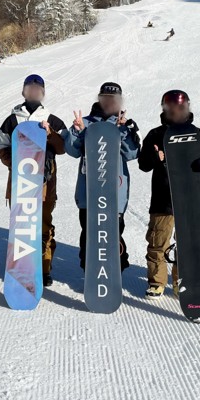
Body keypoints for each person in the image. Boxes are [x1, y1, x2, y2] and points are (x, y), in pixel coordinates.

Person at [138, 90, 200, 298]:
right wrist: (154, 157)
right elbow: (143, 164)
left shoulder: (199, 134)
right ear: (165, 109)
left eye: (181, 108)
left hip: (190, 199)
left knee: (188, 245)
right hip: (163, 199)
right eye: (171, 109)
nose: (176, 112)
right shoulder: (156, 134)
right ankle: (157, 282)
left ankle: (182, 280)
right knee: (157, 242)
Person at [0, 74, 66, 287]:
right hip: (20, 180)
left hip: (45, 181)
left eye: (37, 89)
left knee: (43, 224)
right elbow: (1, 146)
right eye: (30, 89)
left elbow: (62, 147)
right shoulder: (13, 119)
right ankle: (20, 267)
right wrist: (14, 165)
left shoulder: (51, 118)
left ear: (43, 93)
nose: (33, 92)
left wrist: (50, 133)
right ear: (24, 91)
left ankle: (43, 269)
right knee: (22, 224)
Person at [64, 82, 140, 272]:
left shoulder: (122, 124)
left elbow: (132, 153)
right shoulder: (87, 122)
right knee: (89, 234)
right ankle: (90, 272)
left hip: (114, 192)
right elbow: (72, 150)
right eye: (105, 98)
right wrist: (77, 130)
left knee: (113, 234)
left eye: (114, 99)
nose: (109, 102)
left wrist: (124, 131)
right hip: (89, 192)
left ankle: (115, 272)